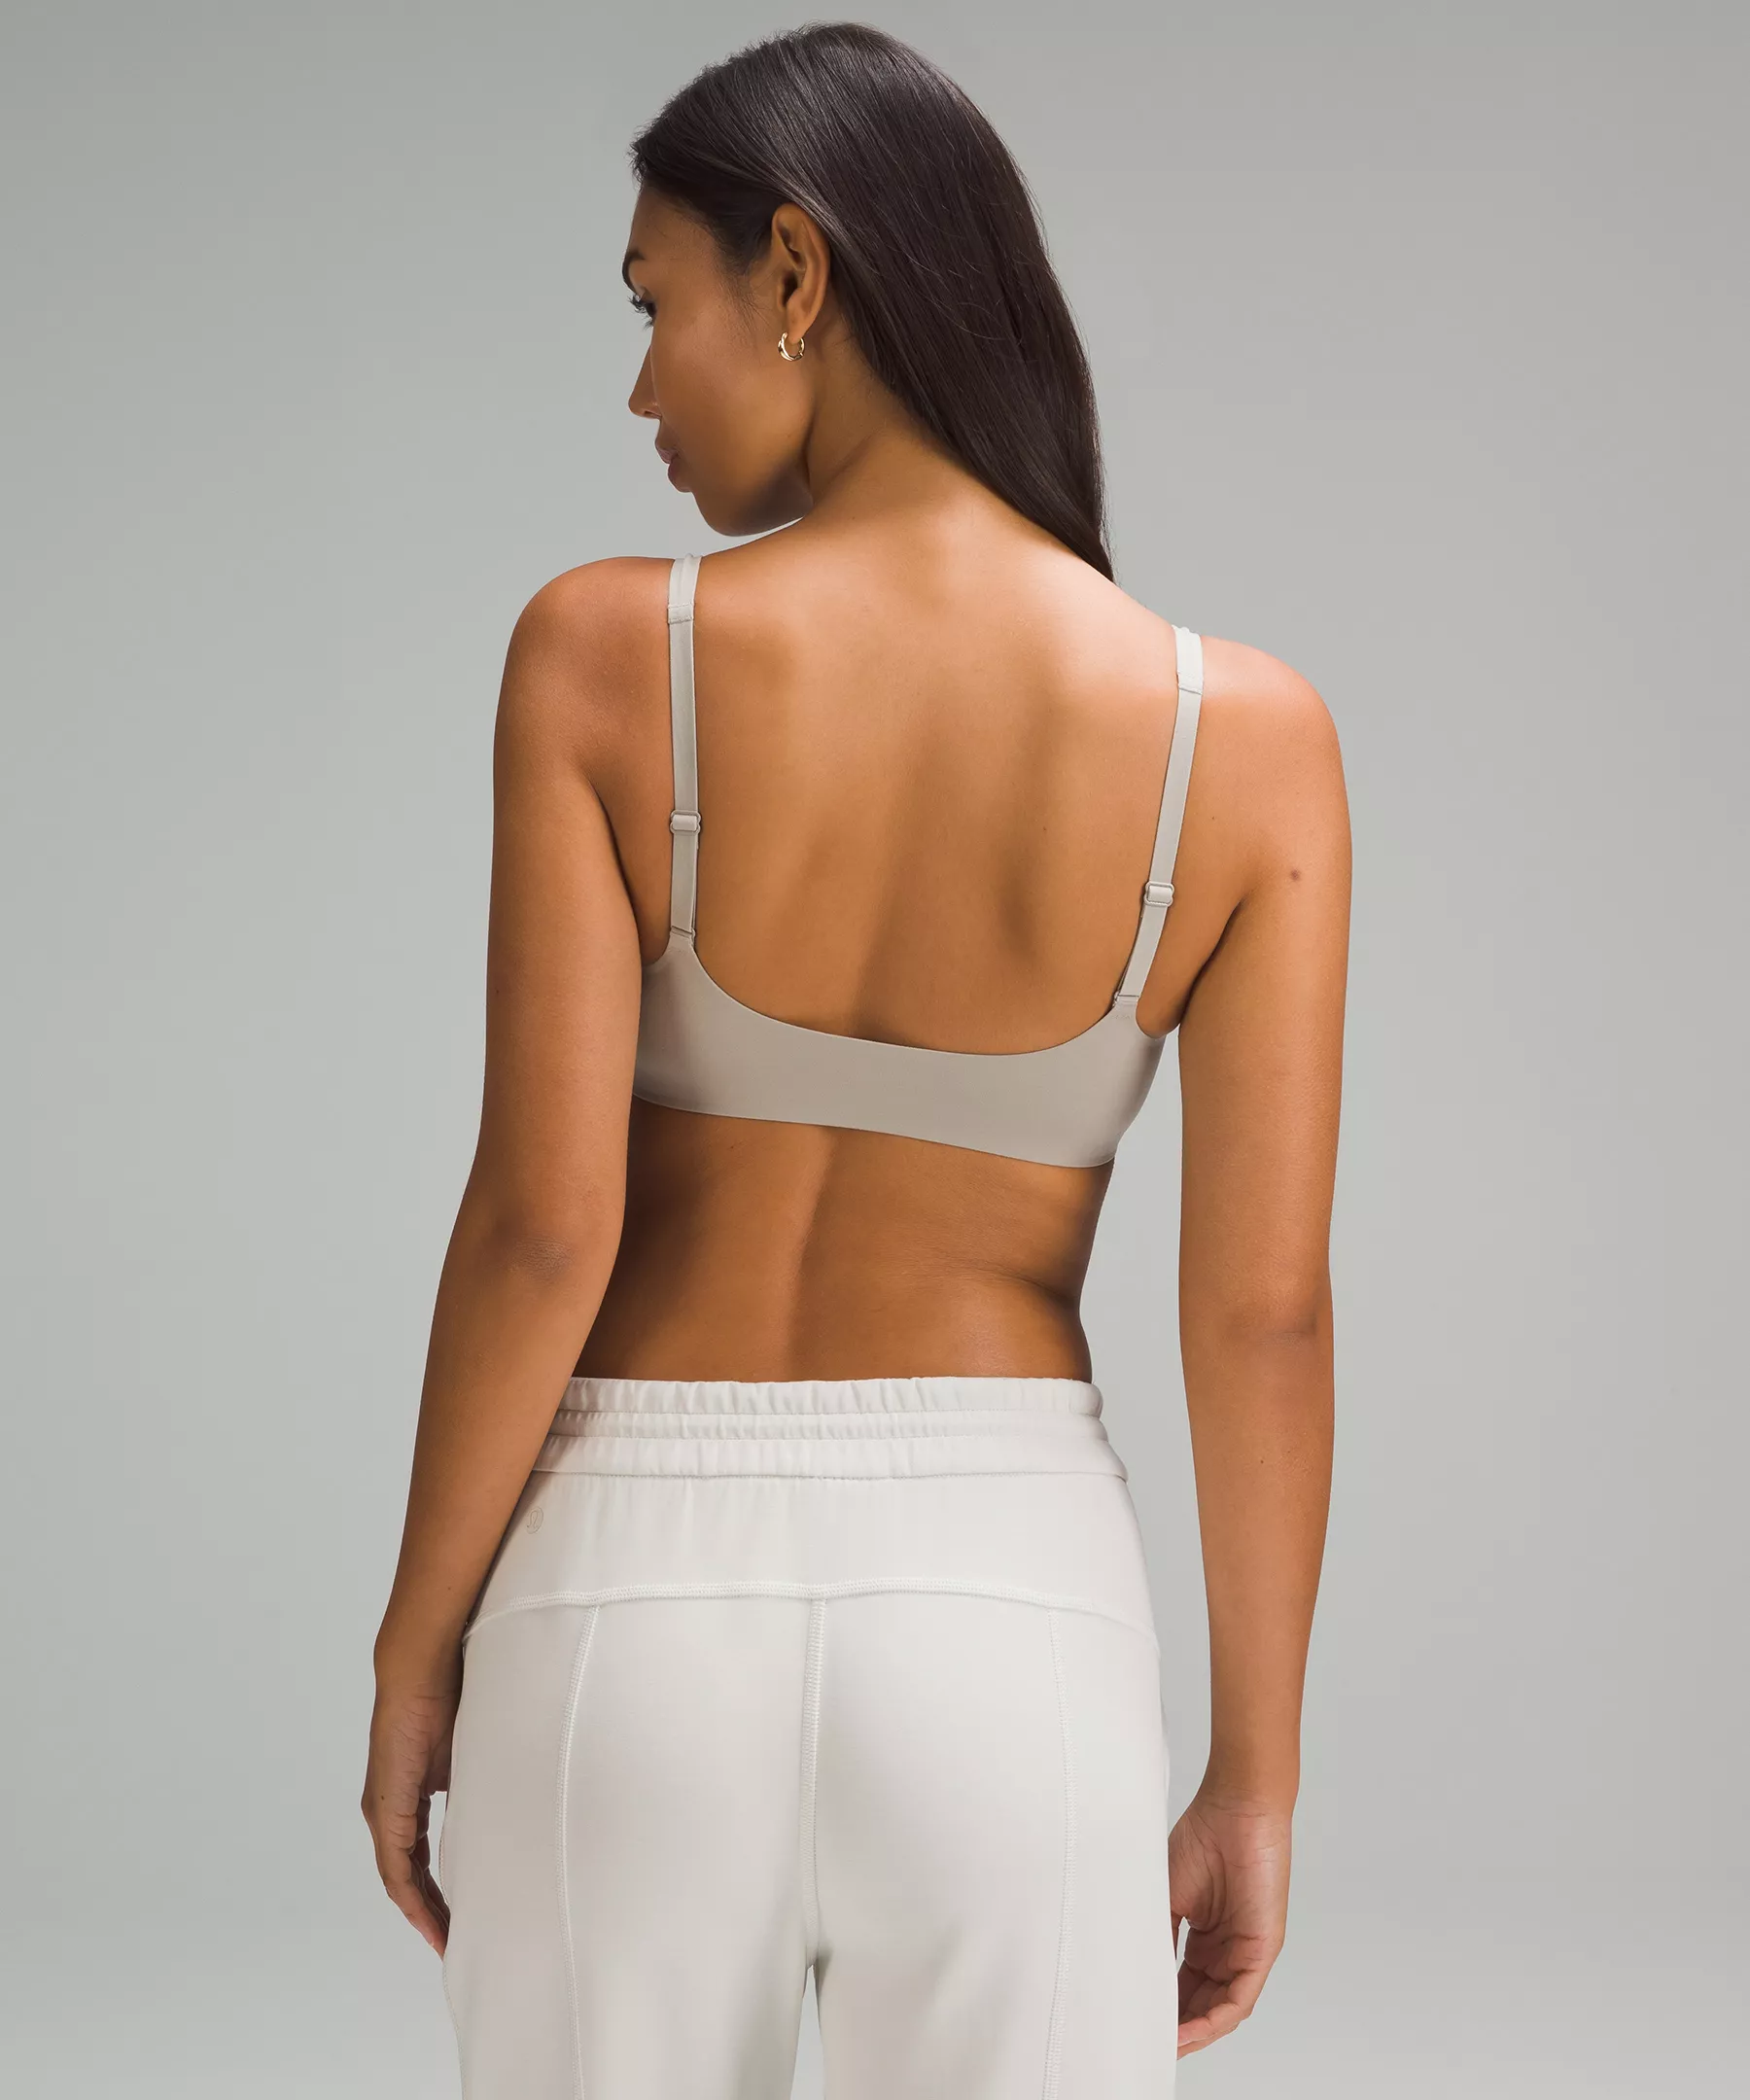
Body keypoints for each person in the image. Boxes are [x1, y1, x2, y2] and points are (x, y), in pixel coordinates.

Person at [362, 22, 1347, 2099]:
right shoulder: (1245, 745)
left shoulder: (606, 654)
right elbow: (1260, 1315)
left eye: (656, 305)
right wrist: (1254, 1774)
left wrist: (414, 1649)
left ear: (795, 271)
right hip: (1013, 1628)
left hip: (622, 1609)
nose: (642, 389)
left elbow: (542, 1231)